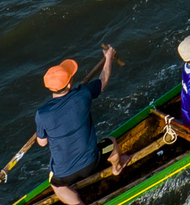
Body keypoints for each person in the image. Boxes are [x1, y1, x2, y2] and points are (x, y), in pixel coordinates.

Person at [33, 46, 126, 205]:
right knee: (112, 142)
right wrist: (109, 57)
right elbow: (104, 79)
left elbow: (42, 143)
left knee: (56, 184)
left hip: (63, 175)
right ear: (69, 85)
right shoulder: (83, 94)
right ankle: (117, 168)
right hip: (91, 163)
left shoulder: (42, 114)